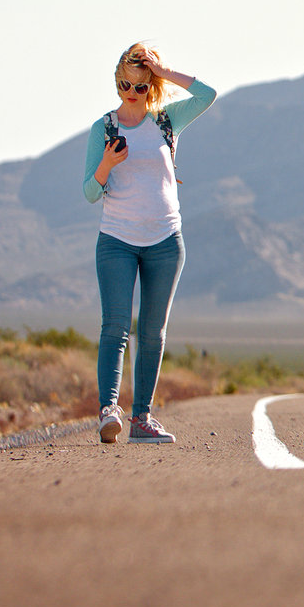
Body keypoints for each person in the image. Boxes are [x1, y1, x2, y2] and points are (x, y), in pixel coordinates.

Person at [83, 43, 215, 444]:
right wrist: (107, 164)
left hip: (165, 241)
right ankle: (109, 411)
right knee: (115, 327)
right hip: (117, 241)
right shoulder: (103, 128)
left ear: (151, 86)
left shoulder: (166, 120)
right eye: (125, 84)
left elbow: (208, 95)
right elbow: (90, 192)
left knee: (153, 333)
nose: (131, 92)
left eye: (141, 86)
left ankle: (142, 419)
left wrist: (165, 70)